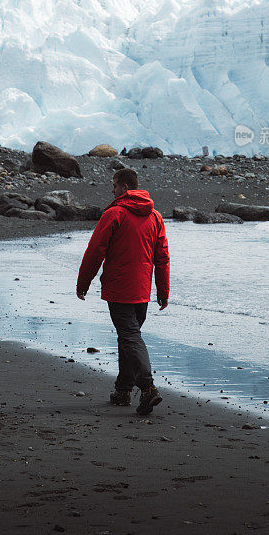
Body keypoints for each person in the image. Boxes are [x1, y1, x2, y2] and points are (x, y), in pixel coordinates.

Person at [76, 168, 170, 415]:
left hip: (120, 290)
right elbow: (162, 258)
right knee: (128, 337)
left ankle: (148, 388)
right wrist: (163, 290)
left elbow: (95, 251)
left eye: (114, 185)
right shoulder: (155, 216)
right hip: (143, 292)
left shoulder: (114, 214)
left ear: (125, 187)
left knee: (130, 337)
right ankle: (123, 390)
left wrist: (83, 283)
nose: (112, 190)